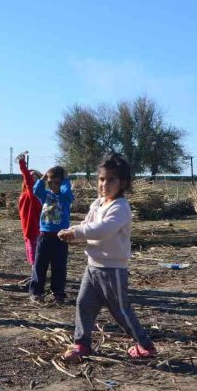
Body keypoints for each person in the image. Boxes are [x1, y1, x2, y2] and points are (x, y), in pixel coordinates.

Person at [58, 152, 156, 362]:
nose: (105, 184)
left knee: (120, 310)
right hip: (92, 267)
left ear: (123, 183)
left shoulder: (120, 208)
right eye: (102, 179)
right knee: (83, 304)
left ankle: (145, 346)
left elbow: (103, 230)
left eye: (111, 179)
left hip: (112, 270)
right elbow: (88, 226)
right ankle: (81, 344)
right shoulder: (97, 204)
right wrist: (72, 233)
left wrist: (76, 232)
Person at [29, 165, 73, 304]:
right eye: (50, 182)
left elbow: (66, 191)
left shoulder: (65, 197)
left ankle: (58, 293)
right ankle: (37, 292)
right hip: (45, 235)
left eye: (56, 183)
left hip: (61, 236)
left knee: (59, 266)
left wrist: (66, 179)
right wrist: (43, 177)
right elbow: (36, 189)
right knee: (39, 265)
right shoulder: (46, 195)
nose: (53, 186)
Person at [17, 152, 43, 266]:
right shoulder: (25, 194)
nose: (31, 177)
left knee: (33, 250)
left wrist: (23, 165)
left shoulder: (34, 193)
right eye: (30, 175)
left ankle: (35, 270)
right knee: (30, 248)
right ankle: (34, 270)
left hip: (34, 227)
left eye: (35, 177)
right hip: (27, 227)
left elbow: (28, 180)